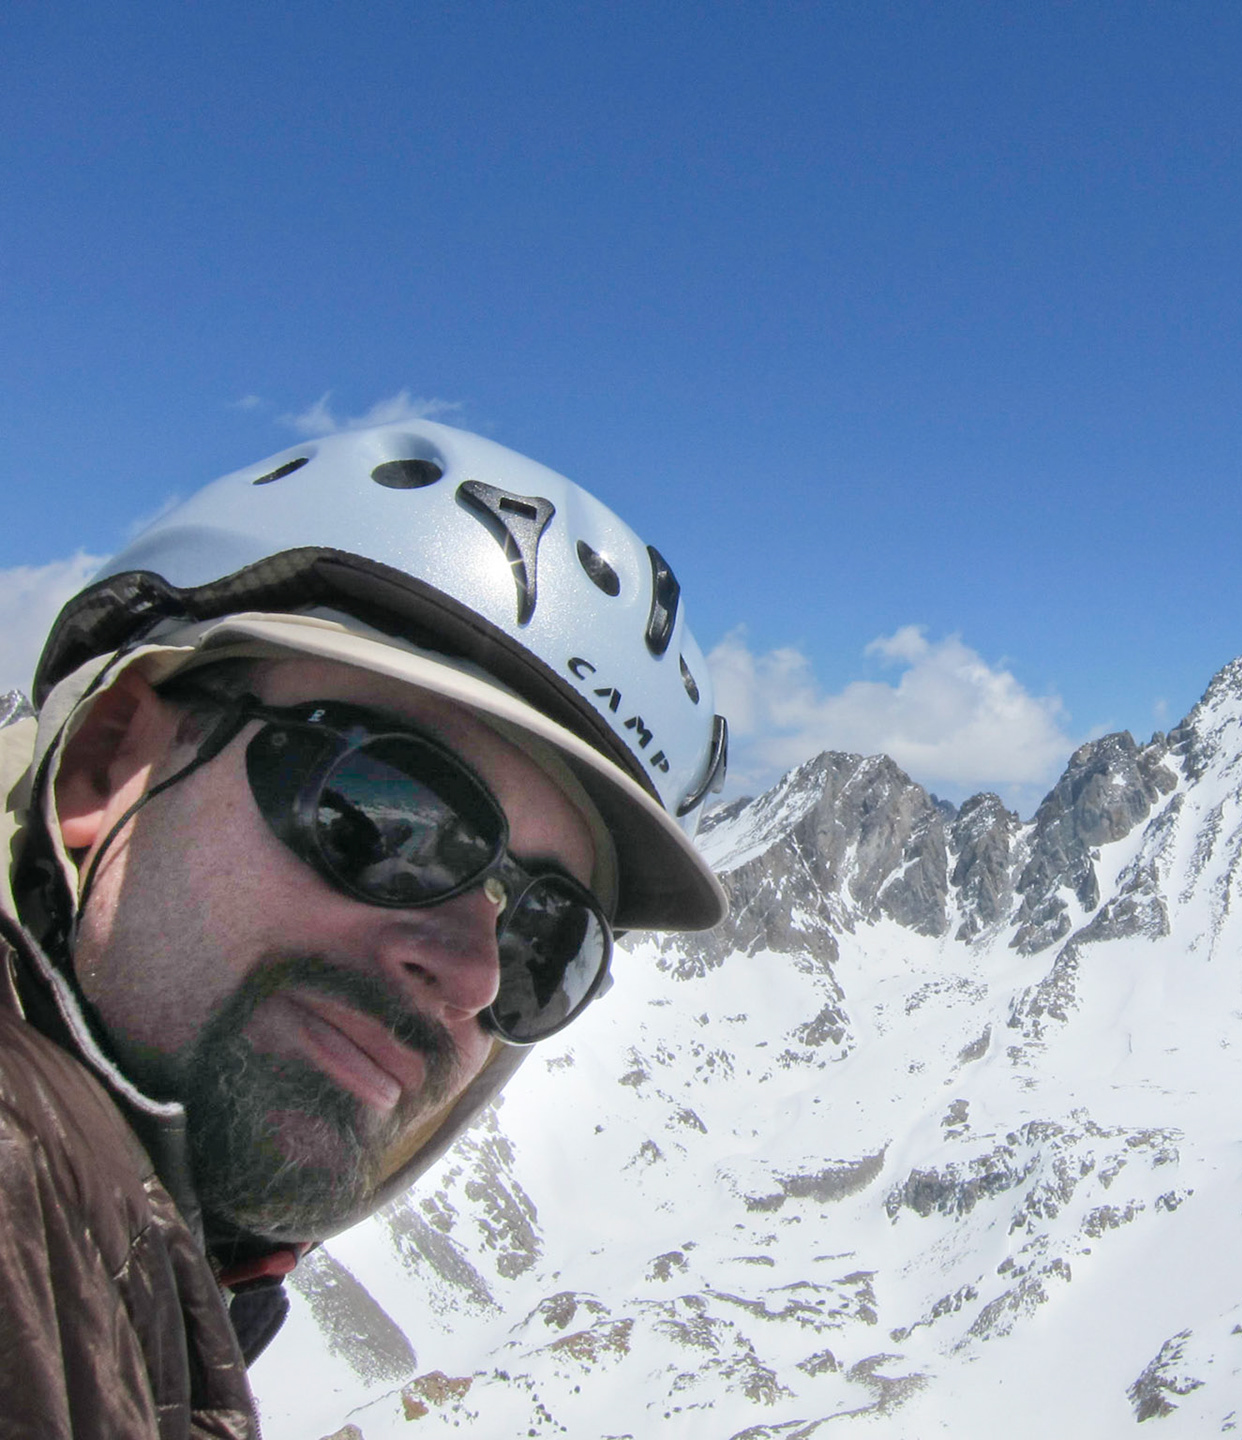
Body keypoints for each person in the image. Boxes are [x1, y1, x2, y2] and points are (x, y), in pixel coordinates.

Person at [0, 421, 730, 1437]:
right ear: (111, 759)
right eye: (396, 819)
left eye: (548, 941)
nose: (475, 974)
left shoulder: (114, 1303)